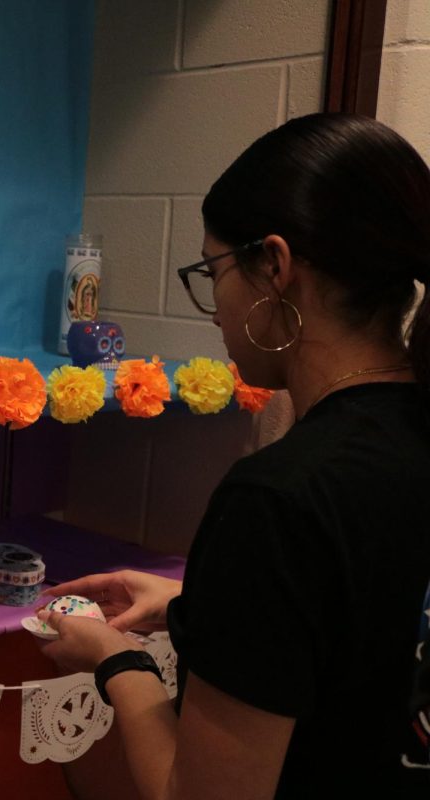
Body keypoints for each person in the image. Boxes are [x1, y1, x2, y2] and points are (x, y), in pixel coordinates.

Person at [38, 113, 430, 798]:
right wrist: (204, 605)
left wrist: (117, 661)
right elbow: (373, 626)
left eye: (213, 270)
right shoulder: (408, 440)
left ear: (274, 268)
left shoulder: (282, 496)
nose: (215, 309)